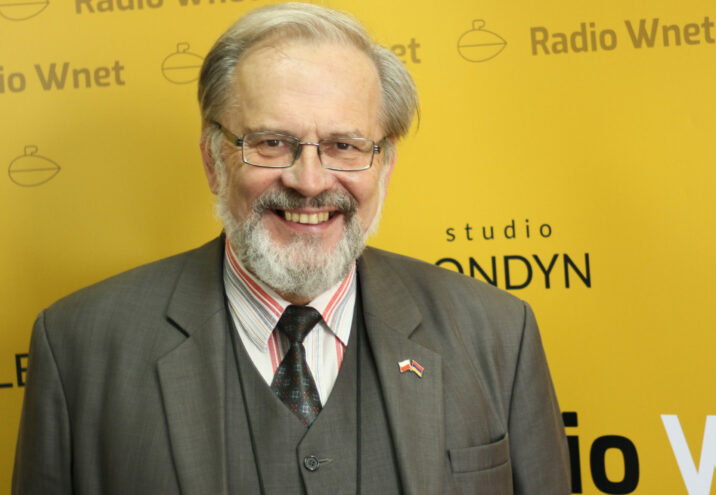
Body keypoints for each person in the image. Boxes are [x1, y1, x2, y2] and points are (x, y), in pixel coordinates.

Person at [12, 3, 570, 494]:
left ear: (385, 166)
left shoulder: (499, 335)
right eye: (272, 142)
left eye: (344, 145)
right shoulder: (79, 348)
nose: (309, 181)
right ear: (213, 159)